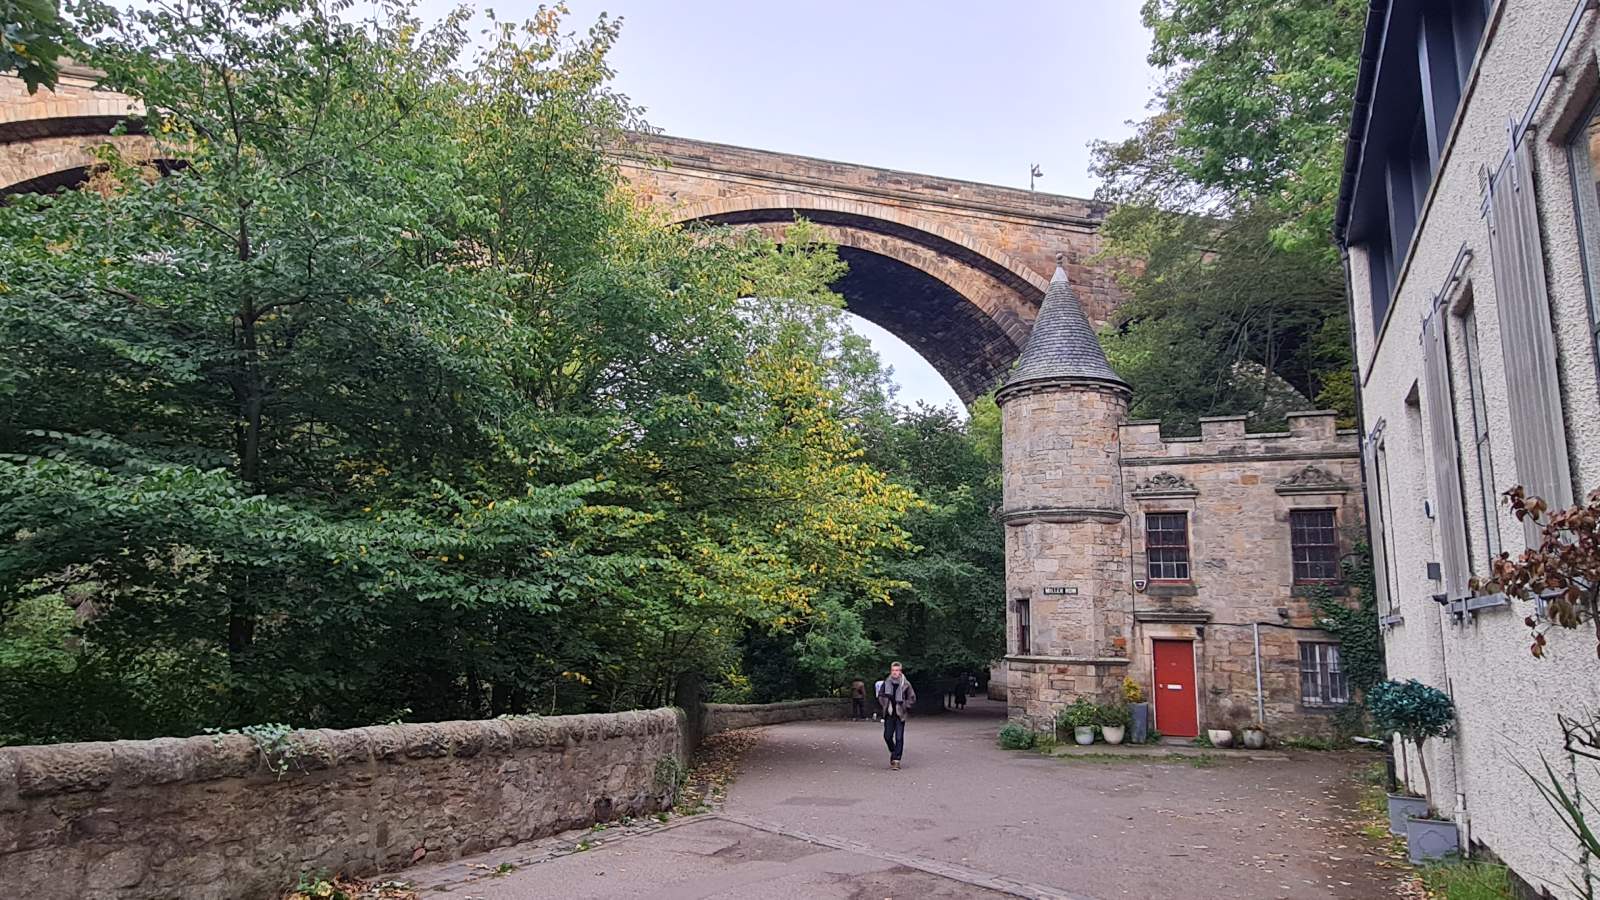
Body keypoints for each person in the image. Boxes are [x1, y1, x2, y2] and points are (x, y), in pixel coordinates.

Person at [876, 661, 916, 769]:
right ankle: (894, 752)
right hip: (889, 713)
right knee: (887, 736)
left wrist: (904, 705)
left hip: (900, 714)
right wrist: (884, 704)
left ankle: (896, 760)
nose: (895, 672)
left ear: (900, 672)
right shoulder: (886, 683)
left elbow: (912, 698)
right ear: (891, 671)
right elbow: (880, 695)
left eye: (897, 670)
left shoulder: (906, 684)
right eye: (893, 670)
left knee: (899, 737)